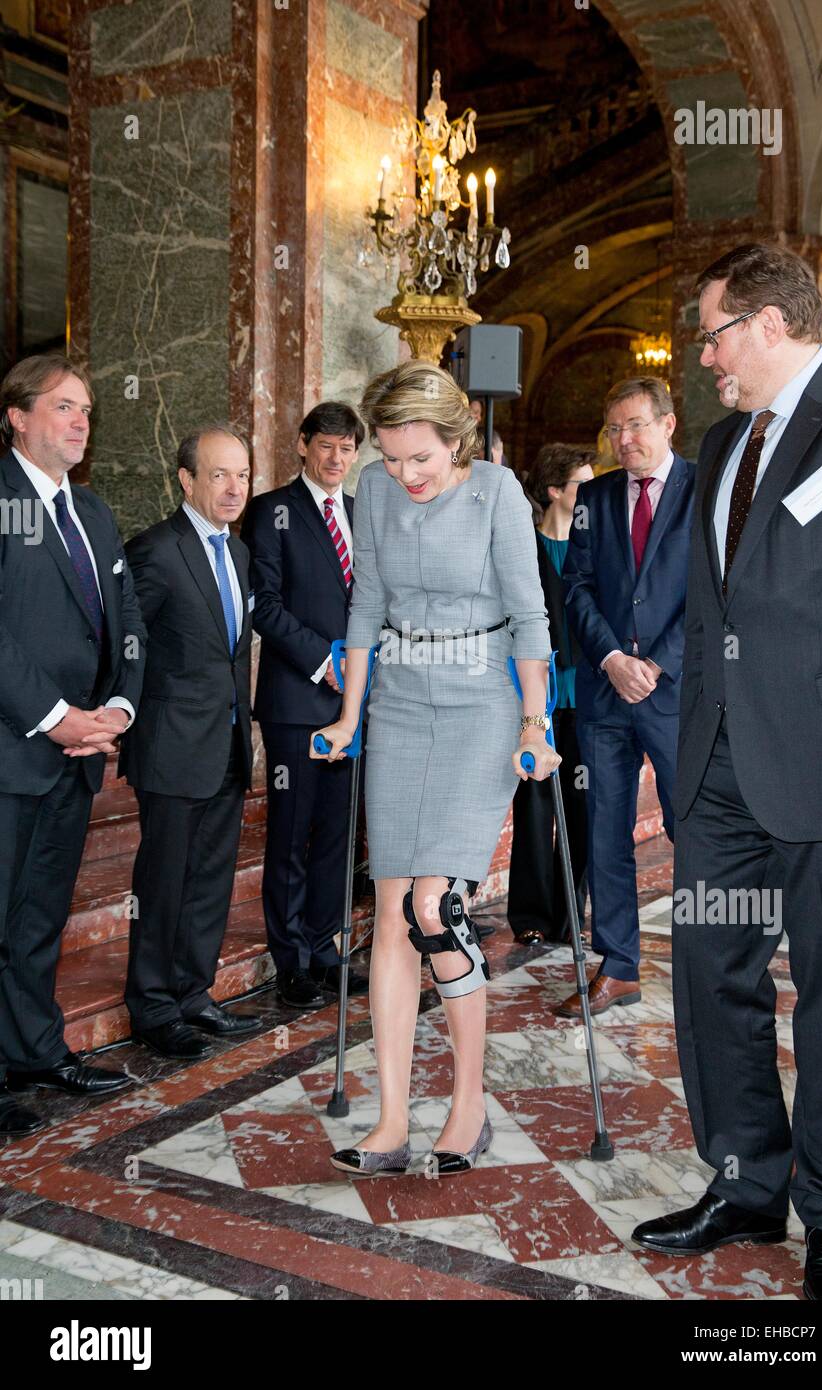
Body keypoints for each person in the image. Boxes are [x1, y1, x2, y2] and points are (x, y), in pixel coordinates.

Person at [632, 244, 822, 1302]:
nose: (702, 357)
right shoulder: (723, 442)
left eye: (713, 333)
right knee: (710, 979)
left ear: (769, 324)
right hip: (718, 766)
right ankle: (740, 1182)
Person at [311, 361, 557, 1177]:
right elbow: (367, 605)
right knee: (387, 910)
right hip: (403, 703)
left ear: (457, 443)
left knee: (432, 904)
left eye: (421, 458)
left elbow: (529, 615)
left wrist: (534, 720)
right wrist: (350, 714)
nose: (404, 475)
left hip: (482, 702)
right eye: (390, 457)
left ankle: (467, 1103)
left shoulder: (498, 492)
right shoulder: (377, 494)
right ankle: (387, 1120)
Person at [0, 353, 145, 1136]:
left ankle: (34, 1050)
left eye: (86, 407)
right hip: (15, 749)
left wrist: (117, 707)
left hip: (81, 752)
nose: (81, 419)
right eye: (63, 406)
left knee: (40, 917)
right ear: (18, 417)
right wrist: (55, 714)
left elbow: (127, 620)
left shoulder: (90, 511)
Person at [120, 426, 260, 1060]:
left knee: (210, 878)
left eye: (242, 476)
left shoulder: (239, 551)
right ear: (187, 480)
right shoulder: (155, 550)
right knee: (165, 881)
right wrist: (118, 714)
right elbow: (126, 643)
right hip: (172, 747)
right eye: (220, 475)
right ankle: (152, 1006)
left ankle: (194, 992)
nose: (234, 489)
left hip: (227, 743)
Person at [558, 378, 695, 1018]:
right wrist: (613, 659)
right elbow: (576, 587)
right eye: (615, 429)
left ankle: (707, 966)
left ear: (668, 424)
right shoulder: (595, 495)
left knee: (691, 829)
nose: (625, 440)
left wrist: (656, 664)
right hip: (606, 695)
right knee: (605, 833)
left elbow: (715, 594)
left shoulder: (705, 487)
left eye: (637, 425)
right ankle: (618, 967)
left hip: (675, 696)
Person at [241, 402, 368, 1008]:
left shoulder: (360, 512)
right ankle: (290, 960)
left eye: (347, 449)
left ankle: (325, 950)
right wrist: (326, 662)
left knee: (338, 837)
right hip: (298, 698)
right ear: (301, 444)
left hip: (355, 703)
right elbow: (261, 603)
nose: (337, 459)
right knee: (291, 836)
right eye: (327, 446)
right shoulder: (272, 511)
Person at [507, 444, 595, 945]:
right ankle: (532, 915)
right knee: (536, 808)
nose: (589, 493)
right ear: (555, 491)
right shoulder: (526, 549)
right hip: (537, 700)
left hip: (588, 698)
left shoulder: (593, 548)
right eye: (580, 484)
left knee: (583, 807)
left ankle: (569, 915)